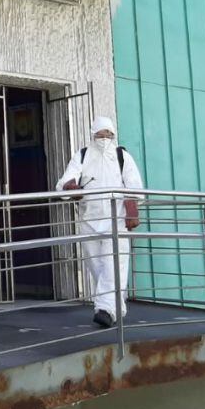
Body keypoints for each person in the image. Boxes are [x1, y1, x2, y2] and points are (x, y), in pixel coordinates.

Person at [55, 116, 144, 329]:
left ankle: (104, 309)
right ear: (93, 133)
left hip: (117, 220)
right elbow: (65, 182)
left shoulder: (122, 156)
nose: (104, 137)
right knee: (96, 266)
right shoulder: (82, 156)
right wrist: (70, 188)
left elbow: (136, 187)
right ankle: (116, 306)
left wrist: (131, 206)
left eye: (108, 134)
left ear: (113, 135)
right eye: (100, 133)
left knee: (114, 266)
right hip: (90, 220)